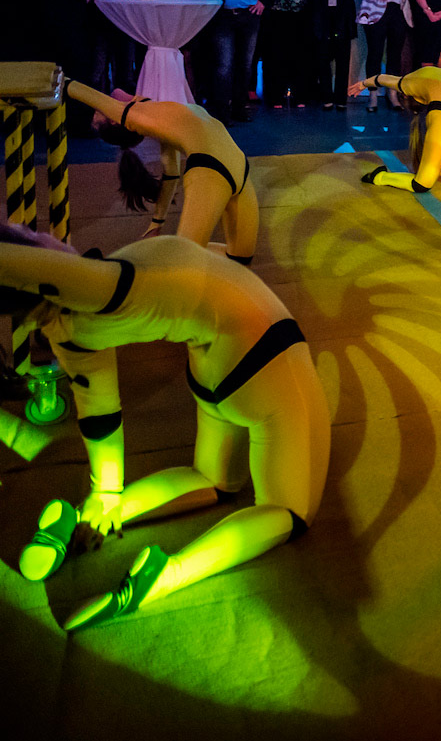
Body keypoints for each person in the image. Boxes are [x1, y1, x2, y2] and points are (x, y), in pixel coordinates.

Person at [2, 226, 328, 629]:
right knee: (291, 511)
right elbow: (23, 262)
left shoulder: (65, 335)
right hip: (266, 352)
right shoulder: (102, 281)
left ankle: (92, 515)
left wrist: (104, 494)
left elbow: (100, 415)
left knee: (214, 480)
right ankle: (166, 574)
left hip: (209, 371)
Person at [69, 82, 257, 262]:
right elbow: (86, 94)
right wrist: (60, 79)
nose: (109, 95)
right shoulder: (135, 115)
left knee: (239, 259)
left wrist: (156, 224)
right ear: (114, 120)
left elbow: (171, 175)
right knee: (186, 263)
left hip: (240, 169)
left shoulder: (162, 117)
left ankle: (146, 258)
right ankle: (117, 269)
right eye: (98, 114)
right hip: (211, 172)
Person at [350, 66, 441, 194]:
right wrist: (364, 83)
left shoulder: (408, 84)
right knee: (421, 184)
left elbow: (382, 79)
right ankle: (379, 177)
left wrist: (364, 83)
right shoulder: (440, 75)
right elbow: (382, 79)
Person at [356, 0, 412, 112]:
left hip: (398, 10)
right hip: (375, 12)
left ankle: (392, 94)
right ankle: (373, 96)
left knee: (395, 55)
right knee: (375, 53)